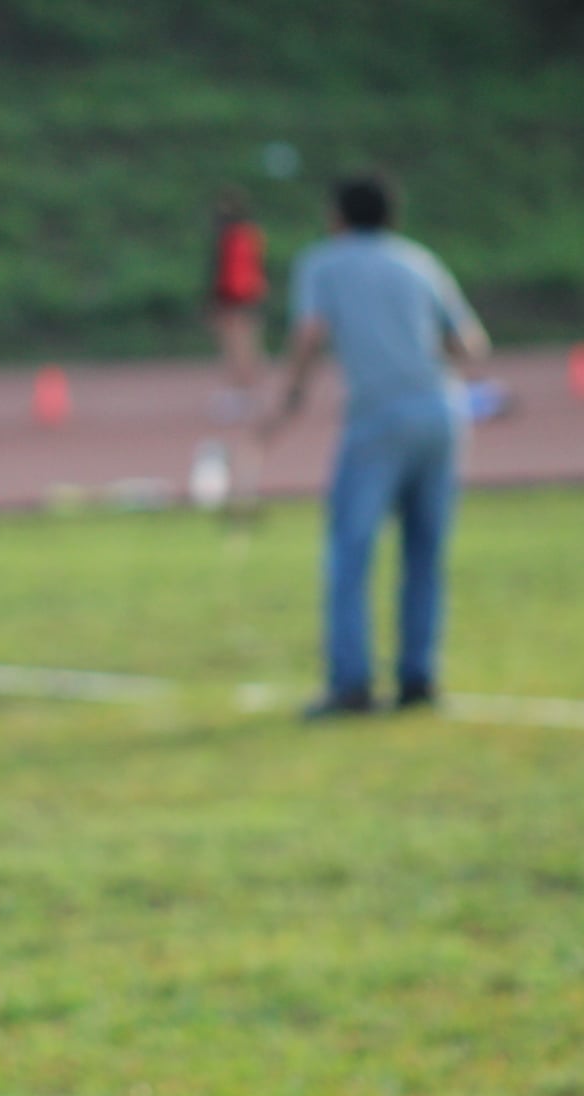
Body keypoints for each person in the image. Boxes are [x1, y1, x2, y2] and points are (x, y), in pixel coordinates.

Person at [259, 174, 490, 718]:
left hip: (378, 419)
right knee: (425, 552)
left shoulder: (324, 263)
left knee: (349, 552)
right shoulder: (419, 261)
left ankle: (352, 684)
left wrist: (288, 400)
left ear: (338, 216)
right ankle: (418, 678)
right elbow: (469, 344)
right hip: (441, 413)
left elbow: (309, 335)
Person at [206, 187, 268, 424]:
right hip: (248, 295)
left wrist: (218, 300)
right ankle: (246, 391)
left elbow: (227, 273)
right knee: (245, 345)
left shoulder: (233, 237)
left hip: (236, 298)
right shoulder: (251, 234)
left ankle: (241, 392)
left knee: (237, 346)